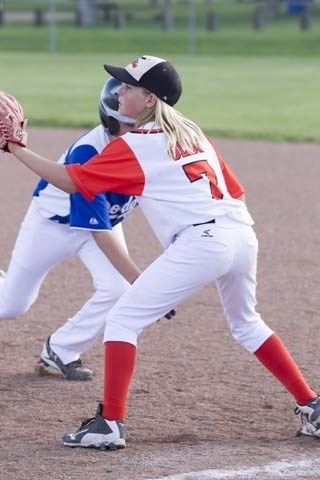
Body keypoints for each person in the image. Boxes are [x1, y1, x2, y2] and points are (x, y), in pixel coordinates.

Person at [6, 55, 320, 448]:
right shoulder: (192, 132)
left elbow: (72, 181)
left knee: (122, 319)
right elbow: (235, 190)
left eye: (129, 86)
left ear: (151, 98)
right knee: (246, 323)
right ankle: (312, 405)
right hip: (241, 234)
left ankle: (110, 425)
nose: (119, 91)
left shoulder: (140, 143)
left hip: (202, 243)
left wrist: (16, 149)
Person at [0, 78, 141, 381]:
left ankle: (61, 350)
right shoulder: (89, 151)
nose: (137, 134)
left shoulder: (152, 147)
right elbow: (100, 233)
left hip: (101, 225)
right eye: (129, 127)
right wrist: (145, 283)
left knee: (119, 289)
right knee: (11, 305)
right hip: (51, 225)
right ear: (111, 120)